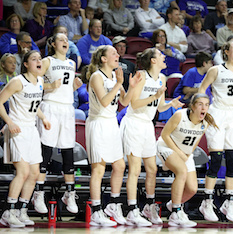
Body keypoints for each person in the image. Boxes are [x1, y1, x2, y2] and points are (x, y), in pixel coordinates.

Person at [120, 48, 183, 226]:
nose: (165, 58)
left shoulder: (162, 78)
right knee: (134, 169)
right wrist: (154, 96)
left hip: (148, 124)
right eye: (161, 56)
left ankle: (149, 205)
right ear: (153, 61)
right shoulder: (141, 75)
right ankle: (132, 210)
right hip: (133, 122)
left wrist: (170, 103)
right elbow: (133, 103)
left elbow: (159, 107)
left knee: (152, 169)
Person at [85, 45, 141, 226]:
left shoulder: (113, 77)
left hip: (111, 123)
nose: (118, 55)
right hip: (98, 122)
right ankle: (95, 212)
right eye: (113, 53)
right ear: (103, 59)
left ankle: (114, 205)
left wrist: (131, 87)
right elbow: (103, 102)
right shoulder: (96, 76)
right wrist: (118, 83)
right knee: (99, 169)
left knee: (119, 166)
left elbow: (123, 102)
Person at [32, 33, 83, 215]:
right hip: (50, 107)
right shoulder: (47, 61)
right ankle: (38, 192)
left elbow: (66, 86)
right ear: (53, 44)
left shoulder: (71, 63)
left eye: (67, 40)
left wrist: (75, 87)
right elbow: (33, 81)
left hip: (67, 108)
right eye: (61, 40)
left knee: (68, 150)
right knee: (46, 150)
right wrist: (49, 86)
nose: (65, 42)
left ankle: (70, 192)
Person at [0, 50, 51, 228]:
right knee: (22, 172)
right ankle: (9, 211)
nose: (38, 61)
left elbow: (33, 105)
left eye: (40, 58)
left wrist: (43, 117)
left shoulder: (40, 82)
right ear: (27, 64)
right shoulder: (17, 81)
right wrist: (9, 122)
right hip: (17, 129)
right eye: (34, 59)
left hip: (31, 130)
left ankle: (21, 210)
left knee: (34, 173)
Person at [198, 40, 233, 223]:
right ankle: (207, 201)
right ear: (226, 52)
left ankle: (229, 201)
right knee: (217, 159)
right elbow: (202, 89)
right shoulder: (216, 70)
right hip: (217, 114)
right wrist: (204, 110)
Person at [157, 93, 216, 227]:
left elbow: (195, 141)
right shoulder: (180, 115)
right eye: (200, 104)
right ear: (193, 106)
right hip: (166, 147)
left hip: (184, 152)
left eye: (206, 105)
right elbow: (164, 135)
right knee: (182, 172)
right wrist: (180, 153)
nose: (204, 108)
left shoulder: (205, 122)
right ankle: (176, 212)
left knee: (192, 189)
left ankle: (173, 204)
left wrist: (187, 154)